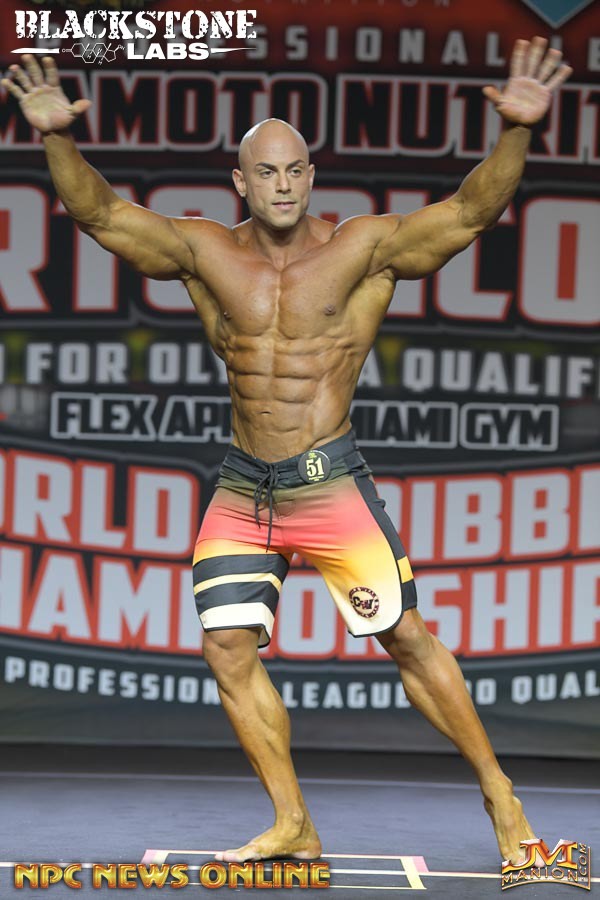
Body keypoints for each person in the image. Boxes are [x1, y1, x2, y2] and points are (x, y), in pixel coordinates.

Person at [3, 37, 571, 867]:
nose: (281, 185)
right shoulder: (204, 251)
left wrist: (516, 130)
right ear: (241, 182)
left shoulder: (361, 248)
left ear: (311, 177)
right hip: (245, 488)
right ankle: (293, 822)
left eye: (295, 170)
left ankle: (498, 790)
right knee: (226, 645)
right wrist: (57, 137)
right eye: (266, 172)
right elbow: (103, 216)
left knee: (406, 638)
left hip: (329, 481)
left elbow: (468, 214)